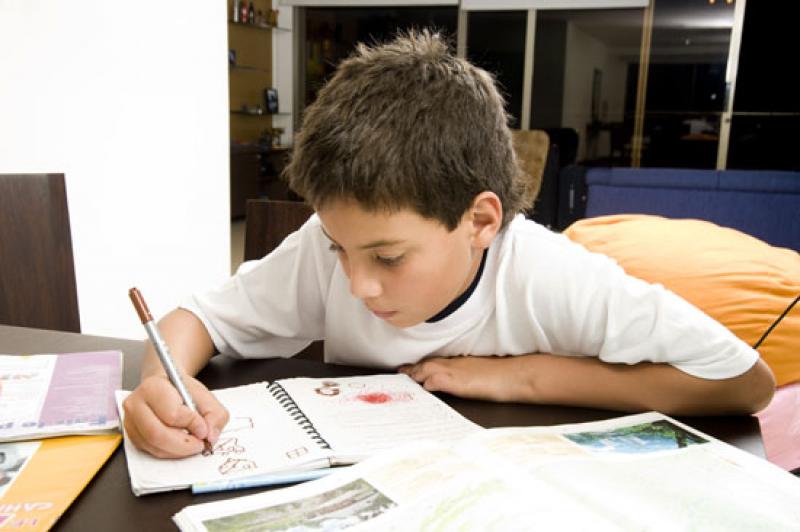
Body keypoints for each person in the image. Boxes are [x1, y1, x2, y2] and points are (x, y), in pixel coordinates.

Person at [122, 31, 774, 459]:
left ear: (480, 221)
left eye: (387, 257)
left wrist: (523, 376)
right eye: (337, 249)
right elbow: (198, 320)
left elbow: (744, 382)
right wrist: (163, 384)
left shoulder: (553, 275)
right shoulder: (327, 246)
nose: (356, 286)